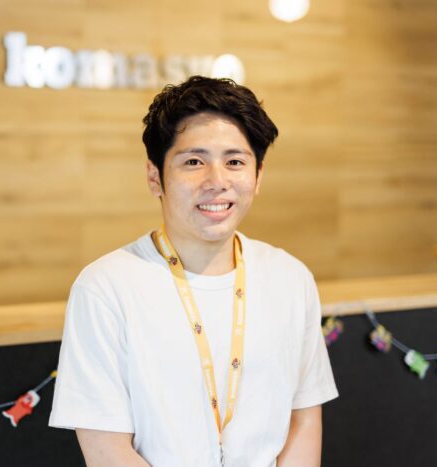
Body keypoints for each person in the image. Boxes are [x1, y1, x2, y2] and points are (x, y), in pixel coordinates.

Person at [49, 76, 338, 467]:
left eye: (235, 162)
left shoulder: (290, 278)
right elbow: (107, 448)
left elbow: (303, 418)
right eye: (193, 162)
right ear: (155, 177)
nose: (217, 182)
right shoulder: (105, 287)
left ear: (258, 176)